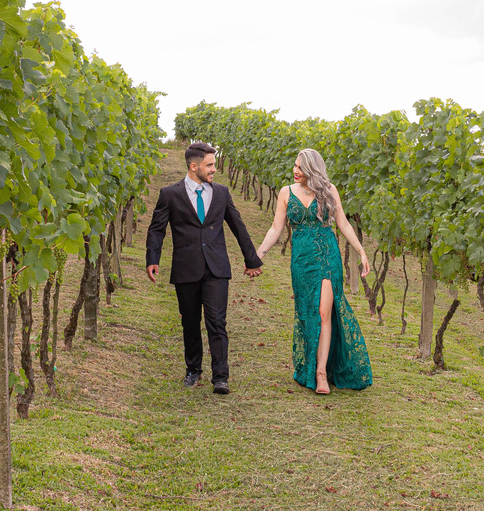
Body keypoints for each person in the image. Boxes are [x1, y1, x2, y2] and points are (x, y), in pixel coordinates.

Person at [146, 142, 263, 395]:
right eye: (209, 165)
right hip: (186, 268)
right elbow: (156, 229)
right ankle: (193, 370)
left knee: (217, 321)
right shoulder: (170, 194)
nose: (214, 169)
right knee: (190, 322)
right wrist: (152, 259)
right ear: (193, 166)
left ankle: (221, 377)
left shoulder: (221, 193)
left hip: (216, 268)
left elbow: (238, 226)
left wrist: (252, 259)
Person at [255, 149, 373, 394]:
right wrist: (257, 256)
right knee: (307, 312)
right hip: (301, 260)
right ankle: (311, 365)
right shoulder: (286, 192)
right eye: (295, 166)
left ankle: (321, 374)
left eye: (300, 167)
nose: (295, 170)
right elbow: (276, 228)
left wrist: (361, 251)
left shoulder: (328, 190)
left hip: (326, 255)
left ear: (312, 168)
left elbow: (343, 223)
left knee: (323, 312)